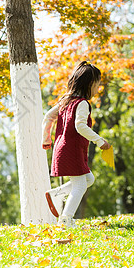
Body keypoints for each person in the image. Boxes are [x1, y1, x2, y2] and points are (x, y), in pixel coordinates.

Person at [42, 61, 110, 227]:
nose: (97, 89)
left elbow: (48, 116)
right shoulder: (82, 103)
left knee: (88, 179)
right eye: (97, 85)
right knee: (80, 185)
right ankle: (66, 219)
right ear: (89, 84)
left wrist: (46, 138)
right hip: (71, 150)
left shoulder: (65, 102)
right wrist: (100, 141)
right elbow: (80, 126)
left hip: (63, 148)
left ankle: (56, 194)